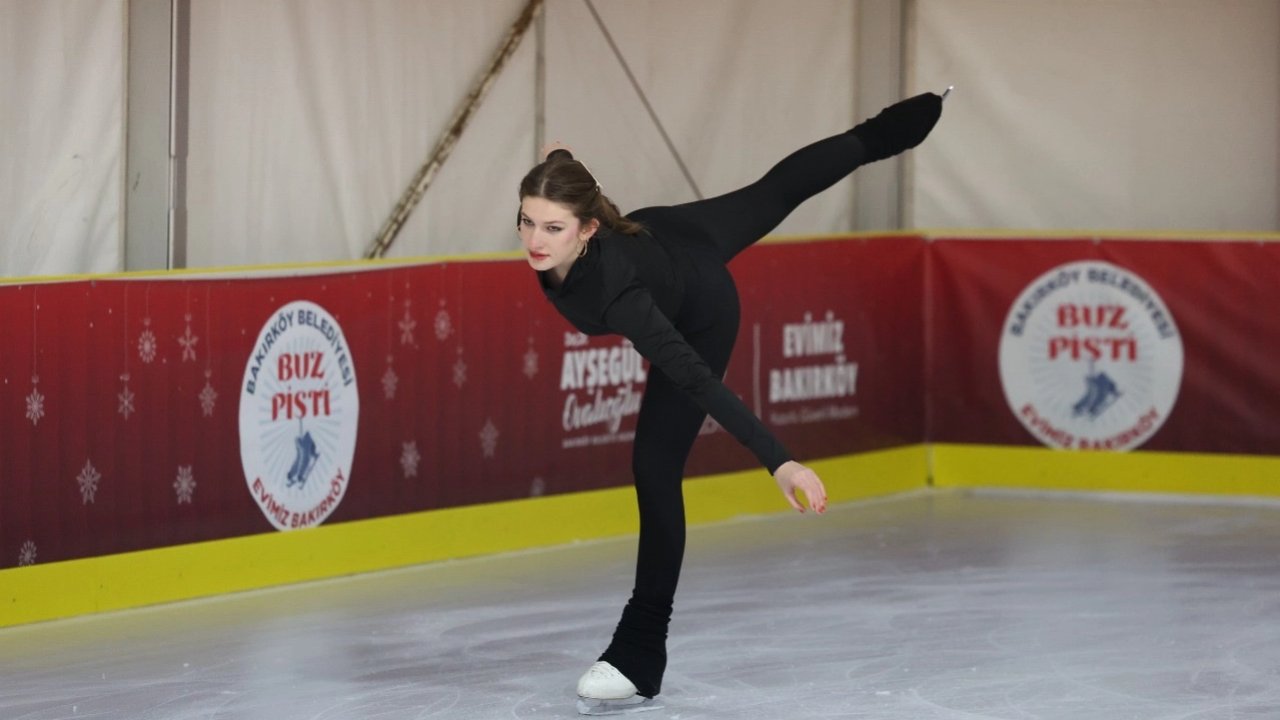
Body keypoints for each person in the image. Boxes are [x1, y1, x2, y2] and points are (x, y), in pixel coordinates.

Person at [517, 92, 944, 714]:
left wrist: (782, 461)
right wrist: (559, 158)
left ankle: (638, 654)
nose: (534, 239)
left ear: (588, 228)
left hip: (699, 314)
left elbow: (697, 379)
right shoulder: (571, 221)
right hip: (666, 232)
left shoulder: (617, 299)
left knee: (654, 466)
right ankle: (890, 131)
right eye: (526, 220)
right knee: (773, 191)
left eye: (552, 227)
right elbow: (563, 171)